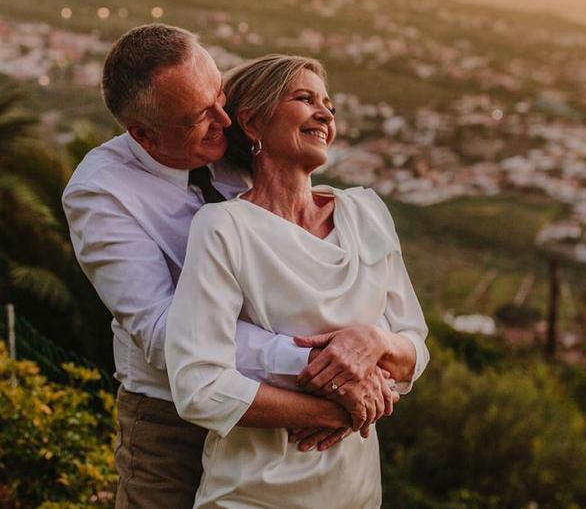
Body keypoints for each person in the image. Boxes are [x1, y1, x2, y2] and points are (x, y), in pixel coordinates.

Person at [62, 25, 399, 508]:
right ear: (144, 134)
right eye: (200, 115)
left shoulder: (239, 145)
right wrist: (321, 368)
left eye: (218, 95)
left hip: (282, 426)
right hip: (173, 417)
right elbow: (164, 334)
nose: (224, 119)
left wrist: (370, 346)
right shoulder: (101, 194)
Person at [165, 54, 430, 508]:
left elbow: (414, 350)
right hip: (251, 495)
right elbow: (199, 388)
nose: (325, 113)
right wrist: (336, 409)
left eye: (328, 103)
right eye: (304, 99)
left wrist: (374, 340)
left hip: (356, 491)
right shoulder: (225, 227)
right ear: (251, 122)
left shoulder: (367, 212)